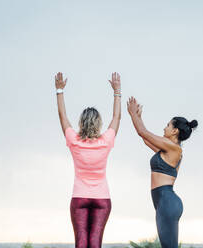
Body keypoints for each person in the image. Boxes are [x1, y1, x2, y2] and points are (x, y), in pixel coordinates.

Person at [54, 72, 121, 248]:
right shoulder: (106, 141)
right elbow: (116, 118)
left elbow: (63, 116)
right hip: (102, 198)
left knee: (81, 241)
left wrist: (59, 90)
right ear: (98, 124)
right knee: (95, 241)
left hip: (79, 197)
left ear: (81, 123)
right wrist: (117, 92)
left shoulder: (74, 140)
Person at [127, 96, 198, 248]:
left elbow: (142, 132)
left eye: (167, 125)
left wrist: (133, 114)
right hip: (163, 202)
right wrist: (138, 117)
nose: (164, 128)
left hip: (167, 201)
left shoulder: (174, 148)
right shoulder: (167, 149)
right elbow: (145, 139)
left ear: (175, 131)